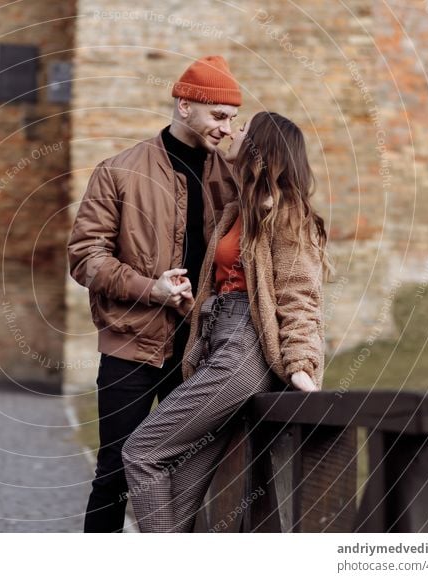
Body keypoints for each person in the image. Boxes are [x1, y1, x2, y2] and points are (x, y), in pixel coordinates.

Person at [122, 111, 331, 533]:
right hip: (219, 346)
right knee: (177, 504)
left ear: (261, 148)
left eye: (244, 129)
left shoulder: (286, 215)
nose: (234, 132)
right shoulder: (239, 210)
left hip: (243, 354)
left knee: (141, 451)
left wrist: (302, 367)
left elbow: (300, 297)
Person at [68, 56, 243, 532]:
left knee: (193, 473)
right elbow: (85, 257)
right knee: (115, 474)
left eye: (233, 118)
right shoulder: (118, 171)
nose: (228, 129)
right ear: (185, 106)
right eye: (220, 116)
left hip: (202, 351)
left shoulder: (233, 177)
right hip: (131, 347)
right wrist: (153, 290)